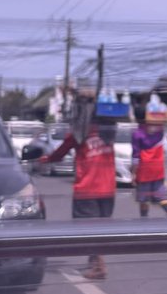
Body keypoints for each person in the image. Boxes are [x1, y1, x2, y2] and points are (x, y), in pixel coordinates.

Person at [39, 94, 116, 280]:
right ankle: (93, 261)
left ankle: (99, 267)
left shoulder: (78, 133)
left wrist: (44, 159)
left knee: (89, 229)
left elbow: (59, 154)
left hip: (87, 188)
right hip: (108, 188)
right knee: (101, 228)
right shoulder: (109, 130)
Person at [131, 114, 167, 219]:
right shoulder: (160, 131)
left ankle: (144, 218)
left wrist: (133, 173)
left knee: (144, 198)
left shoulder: (137, 134)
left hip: (144, 170)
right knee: (161, 193)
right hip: (158, 168)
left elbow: (135, 157)